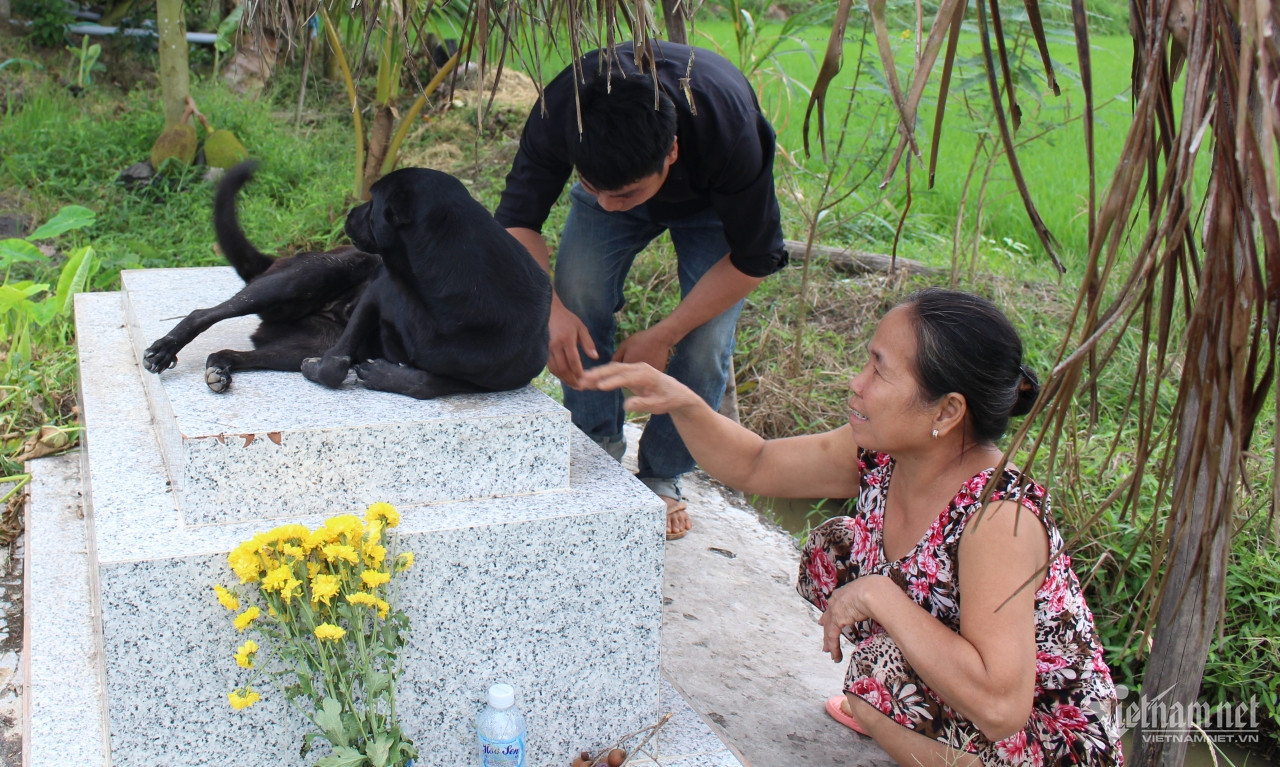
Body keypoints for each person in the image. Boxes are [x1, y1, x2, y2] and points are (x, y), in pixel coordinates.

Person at [578, 288, 1123, 766]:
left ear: (947, 411)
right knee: (835, 547)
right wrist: (685, 403)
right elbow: (758, 463)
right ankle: (921, 713)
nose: (856, 384)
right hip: (964, 677)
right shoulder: (885, 453)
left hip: (1046, 742)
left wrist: (881, 597)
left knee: (873, 681)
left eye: (880, 370)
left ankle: (908, 722)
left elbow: (1005, 709)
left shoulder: (998, 518)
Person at [494, 40, 789, 540]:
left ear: (671, 151)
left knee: (706, 343)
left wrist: (667, 332)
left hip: (713, 204)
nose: (609, 207)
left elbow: (755, 258)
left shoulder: (729, 128)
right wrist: (550, 308)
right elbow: (517, 222)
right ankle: (595, 447)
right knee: (576, 293)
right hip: (624, 163)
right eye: (593, 188)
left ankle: (662, 474)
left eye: (623, 195)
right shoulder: (565, 109)